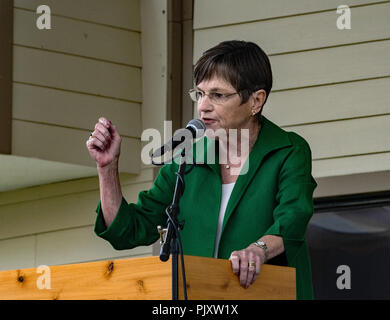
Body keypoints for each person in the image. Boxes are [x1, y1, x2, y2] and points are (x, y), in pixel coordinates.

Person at [86, 40, 317, 300]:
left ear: (256, 100)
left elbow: (294, 217)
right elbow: (127, 231)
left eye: (218, 95)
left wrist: (258, 249)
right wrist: (107, 168)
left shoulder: (288, 150)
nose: (203, 106)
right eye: (200, 94)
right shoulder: (186, 161)